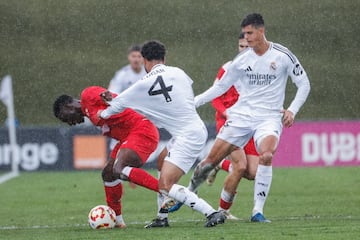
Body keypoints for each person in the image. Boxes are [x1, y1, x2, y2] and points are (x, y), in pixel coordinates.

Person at [187, 13, 311, 223]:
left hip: (269, 118)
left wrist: (292, 110)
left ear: (261, 31)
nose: (246, 38)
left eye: (250, 33)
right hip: (242, 116)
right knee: (209, 162)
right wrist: (194, 102)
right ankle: (188, 192)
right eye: (244, 34)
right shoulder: (243, 59)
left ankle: (257, 211)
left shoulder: (282, 55)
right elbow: (221, 87)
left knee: (266, 156)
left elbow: (304, 83)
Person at [98, 40, 226, 228]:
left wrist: (101, 114)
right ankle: (162, 217)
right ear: (164, 58)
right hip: (192, 129)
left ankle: (212, 213)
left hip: (187, 136)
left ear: (144, 61)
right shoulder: (179, 72)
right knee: (161, 162)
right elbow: (182, 98)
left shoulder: (143, 83)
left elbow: (118, 106)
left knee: (166, 185)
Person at [53, 86, 160, 228]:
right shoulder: (89, 115)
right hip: (128, 136)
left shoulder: (87, 95)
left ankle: (167, 189)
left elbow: (106, 96)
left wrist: (107, 96)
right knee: (108, 174)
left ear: (68, 106)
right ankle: (117, 221)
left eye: (65, 118)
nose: (70, 123)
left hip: (141, 130)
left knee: (119, 169)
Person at [205, 32, 260, 220]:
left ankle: (220, 164)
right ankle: (223, 211)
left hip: (249, 124)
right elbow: (215, 96)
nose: (244, 50)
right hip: (228, 122)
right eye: (241, 46)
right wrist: (226, 112)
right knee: (240, 166)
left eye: (248, 46)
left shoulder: (260, 71)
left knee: (252, 173)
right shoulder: (228, 68)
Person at [108, 44, 147, 151]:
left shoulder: (149, 73)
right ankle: (114, 161)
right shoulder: (122, 74)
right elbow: (112, 95)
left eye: (139, 57)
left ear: (143, 58)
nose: (136, 59)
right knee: (118, 145)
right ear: (129, 57)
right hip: (125, 115)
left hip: (144, 114)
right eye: (133, 56)